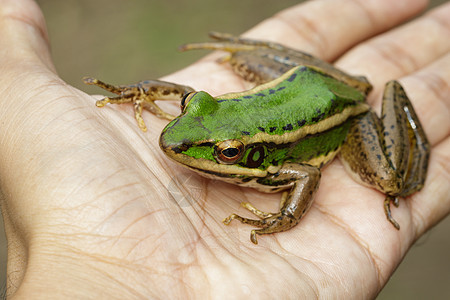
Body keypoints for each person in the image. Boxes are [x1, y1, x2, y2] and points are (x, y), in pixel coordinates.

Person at [0, 0, 449, 298]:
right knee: (232, 71)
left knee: (391, 180)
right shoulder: (191, 118)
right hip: (303, 82)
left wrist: (285, 217)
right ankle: (246, 55)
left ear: (249, 156)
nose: (173, 142)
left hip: (344, 113)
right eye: (193, 108)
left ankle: (408, 173)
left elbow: (306, 173)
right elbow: (185, 93)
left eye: (228, 152)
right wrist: (140, 92)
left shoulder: (278, 166)